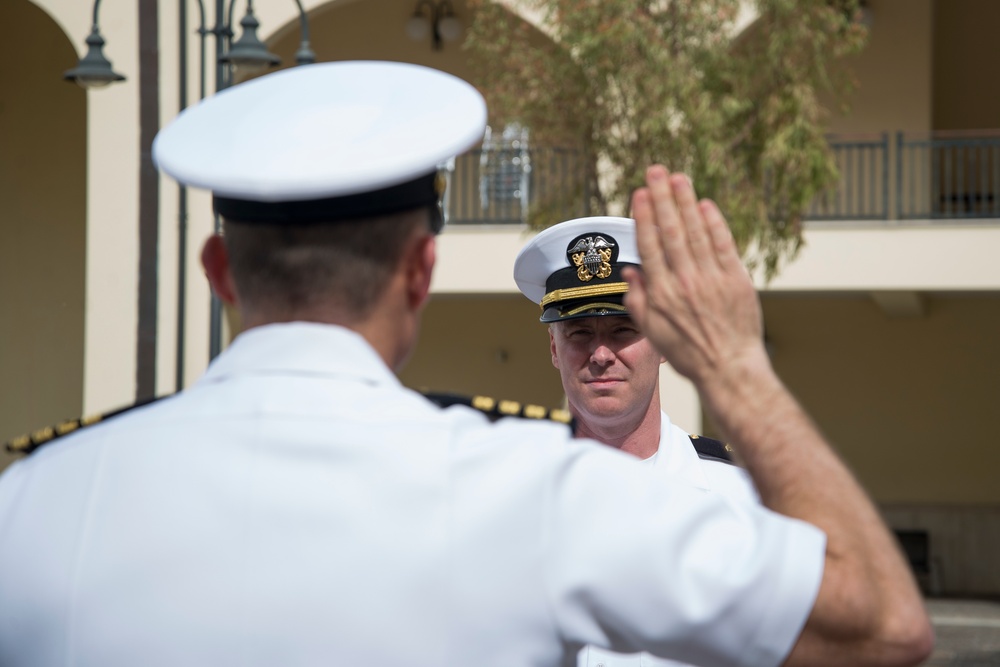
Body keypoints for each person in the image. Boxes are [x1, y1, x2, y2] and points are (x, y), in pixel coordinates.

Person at [0, 61, 932, 667]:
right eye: (581, 331)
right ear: (422, 270)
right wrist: (734, 362)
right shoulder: (531, 493)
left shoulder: (36, 502)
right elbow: (888, 625)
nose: (601, 350)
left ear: (219, 273)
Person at [515, 217, 760, 667]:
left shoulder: (738, 500)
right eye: (579, 333)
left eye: (623, 330)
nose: (601, 353)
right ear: (554, 349)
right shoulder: (507, 496)